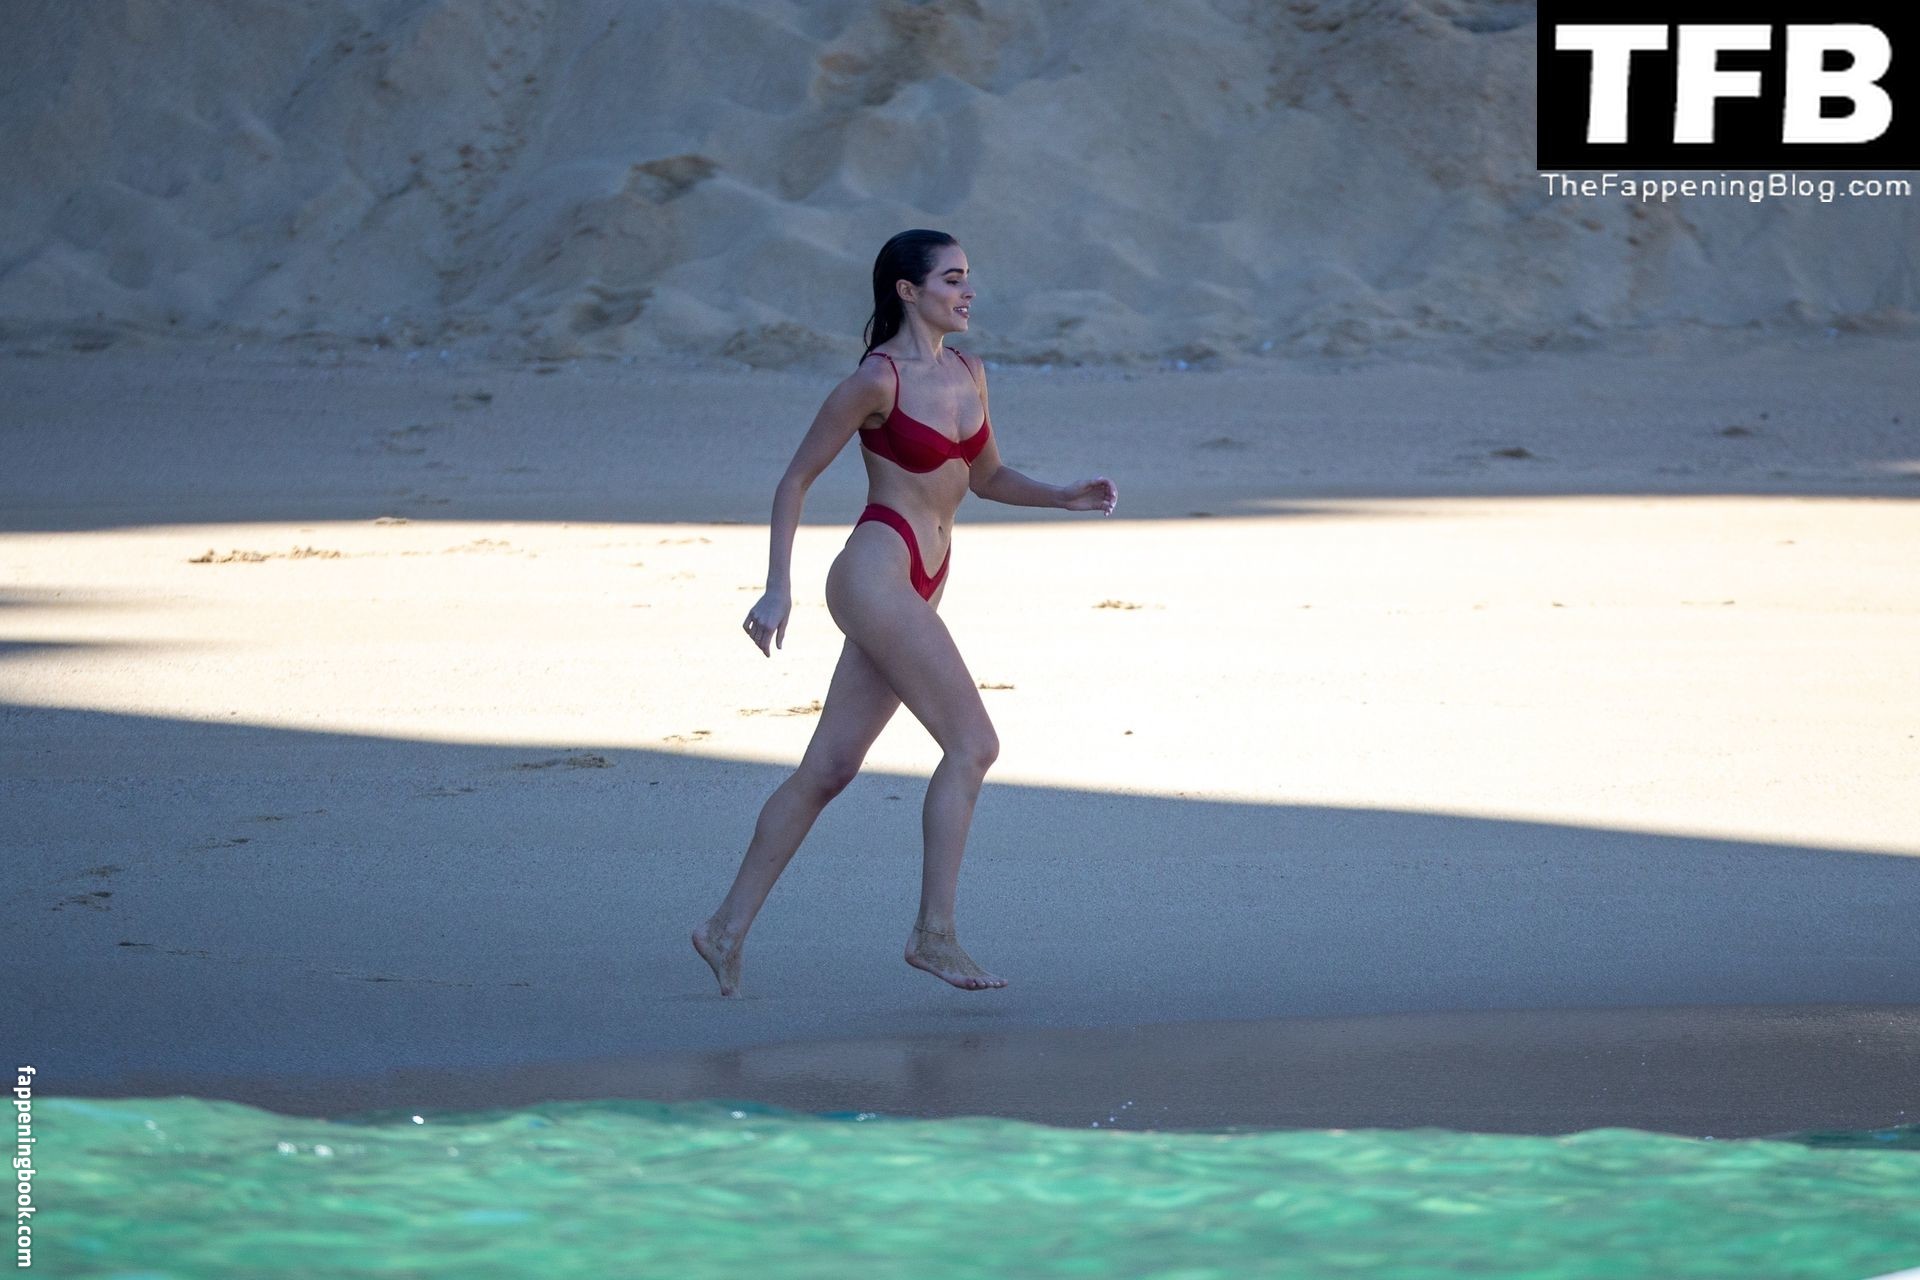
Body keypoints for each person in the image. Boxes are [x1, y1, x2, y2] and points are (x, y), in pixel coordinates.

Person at [691, 229, 1118, 997]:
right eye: (952, 278)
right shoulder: (875, 381)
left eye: (969, 277)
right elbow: (794, 481)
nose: (968, 291)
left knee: (828, 771)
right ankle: (934, 934)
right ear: (908, 290)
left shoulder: (969, 372)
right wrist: (778, 587)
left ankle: (724, 929)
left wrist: (1061, 496)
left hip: (928, 576)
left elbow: (985, 476)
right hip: (876, 570)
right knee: (974, 744)